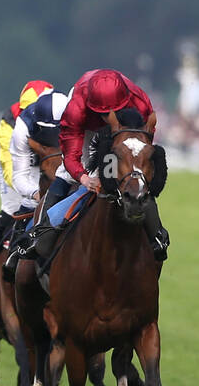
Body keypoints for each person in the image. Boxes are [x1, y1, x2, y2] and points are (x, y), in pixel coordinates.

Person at [23, 69, 168, 262]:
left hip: (125, 127)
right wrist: (83, 177)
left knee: (134, 174)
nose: (109, 118)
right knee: (67, 174)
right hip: (86, 126)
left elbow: (143, 143)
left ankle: (157, 235)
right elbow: (71, 154)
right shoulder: (76, 108)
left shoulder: (140, 103)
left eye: (113, 112)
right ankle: (41, 232)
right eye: (104, 114)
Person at [0, 81, 60, 298]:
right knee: (14, 205)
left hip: (47, 159)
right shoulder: (10, 126)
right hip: (17, 163)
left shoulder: (57, 114)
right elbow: (12, 172)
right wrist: (32, 193)